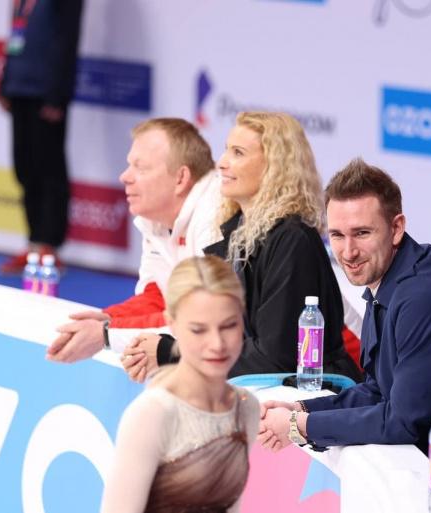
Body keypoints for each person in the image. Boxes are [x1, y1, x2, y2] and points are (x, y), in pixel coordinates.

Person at [259, 159, 431, 512]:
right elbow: (377, 390)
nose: (348, 252)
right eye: (337, 235)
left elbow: (403, 421)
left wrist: (300, 425)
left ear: (396, 228)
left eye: (362, 233)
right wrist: (302, 408)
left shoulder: (423, 297)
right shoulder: (387, 281)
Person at [123, 112, 361, 382]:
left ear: (274, 166)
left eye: (238, 153)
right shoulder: (237, 233)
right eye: (226, 150)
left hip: (315, 393)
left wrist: (173, 352)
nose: (222, 163)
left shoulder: (293, 240)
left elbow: (275, 358)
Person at [47, 118, 221, 363]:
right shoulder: (155, 218)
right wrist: (109, 319)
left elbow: (201, 322)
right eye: (129, 165)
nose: (124, 177)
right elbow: (157, 298)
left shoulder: (215, 217)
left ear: (181, 178)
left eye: (141, 168)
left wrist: (106, 335)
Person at [100, 255, 260, 513]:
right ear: (172, 324)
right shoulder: (153, 414)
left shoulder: (246, 408)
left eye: (229, 326)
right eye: (198, 330)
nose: (217, 344)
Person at [0, 0, 84, 274]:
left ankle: (49, 245)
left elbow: (68, 36)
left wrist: (58, 94)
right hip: (19, 88)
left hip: (46, 92)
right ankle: (34, 242)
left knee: (50, 169)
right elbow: (15, 33)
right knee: (25, 167)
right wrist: (5, 83)